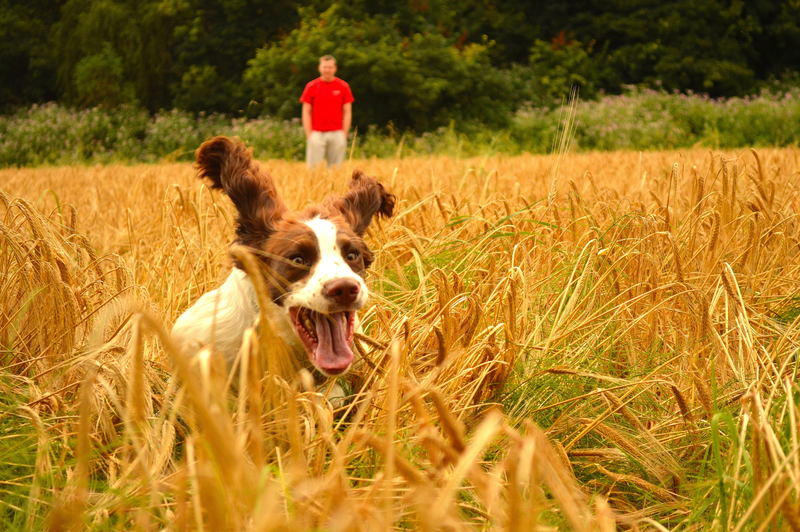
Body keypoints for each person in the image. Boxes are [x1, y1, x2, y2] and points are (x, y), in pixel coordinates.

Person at [300, 55, 354, 168]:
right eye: (325, 67)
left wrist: (344, 134)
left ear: (335, 68)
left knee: (336, 169)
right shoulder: (311, 86)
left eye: (330, 67)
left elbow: (347, 112)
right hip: (316, 133)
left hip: (337, 132)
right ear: (320, 68)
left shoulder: (343, 86)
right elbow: (306, 112)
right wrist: (309, 135)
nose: (327, 70)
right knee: (313, 169)